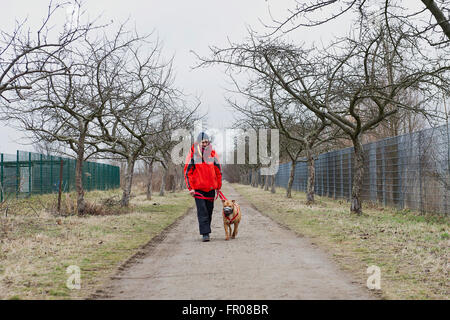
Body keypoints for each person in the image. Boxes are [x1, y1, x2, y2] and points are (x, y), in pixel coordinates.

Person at [184, 132, 222, 242]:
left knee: (209, 210)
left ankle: (206, 229)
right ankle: (205, 233)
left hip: (211, 188)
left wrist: (218, 187)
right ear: (198, 143)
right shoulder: (193, 155)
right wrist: (190, 188)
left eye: (206, 141)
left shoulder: (213, 154)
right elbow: (187, 172)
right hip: (198, 189)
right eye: (203, 142)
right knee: (202, 211)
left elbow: (218, 171)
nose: (205, 144)